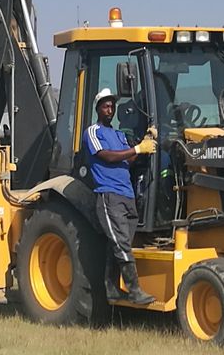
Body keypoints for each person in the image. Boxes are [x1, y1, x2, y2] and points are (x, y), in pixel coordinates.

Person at [84, 88, 157, 305]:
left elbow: (129, 159)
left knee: (116, 243)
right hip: (109, 195)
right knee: (121, 243)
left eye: (112, 106)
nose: (110, 109)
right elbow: (106, 156)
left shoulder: (118, 135)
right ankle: (134, 290)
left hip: (127, 195)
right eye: (106, 106)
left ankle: (111, 288)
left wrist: (145, 143)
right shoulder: (93, 132)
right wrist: (137, 148)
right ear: (98, 109)